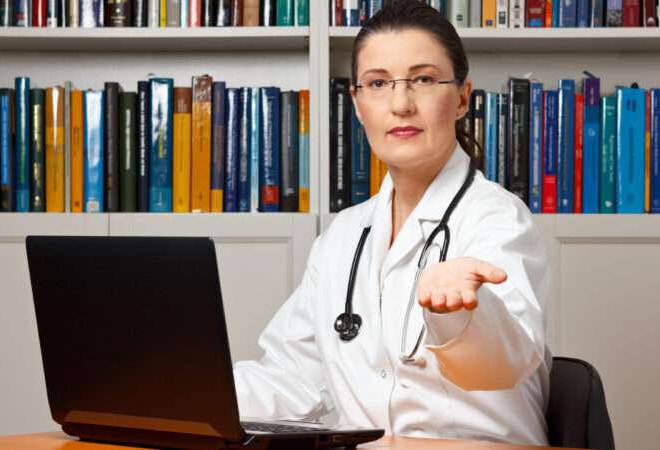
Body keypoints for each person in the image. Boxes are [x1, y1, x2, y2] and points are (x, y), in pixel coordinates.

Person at [233, 0, 553, 445]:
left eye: (422, 79)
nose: (401, 104)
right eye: (378, 83)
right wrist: (180, 385)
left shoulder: (497, 219)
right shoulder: (342, 237)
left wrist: (460, 314)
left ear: (462, 97)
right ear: (358, 104)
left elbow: (505, 363)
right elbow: (291, 379)